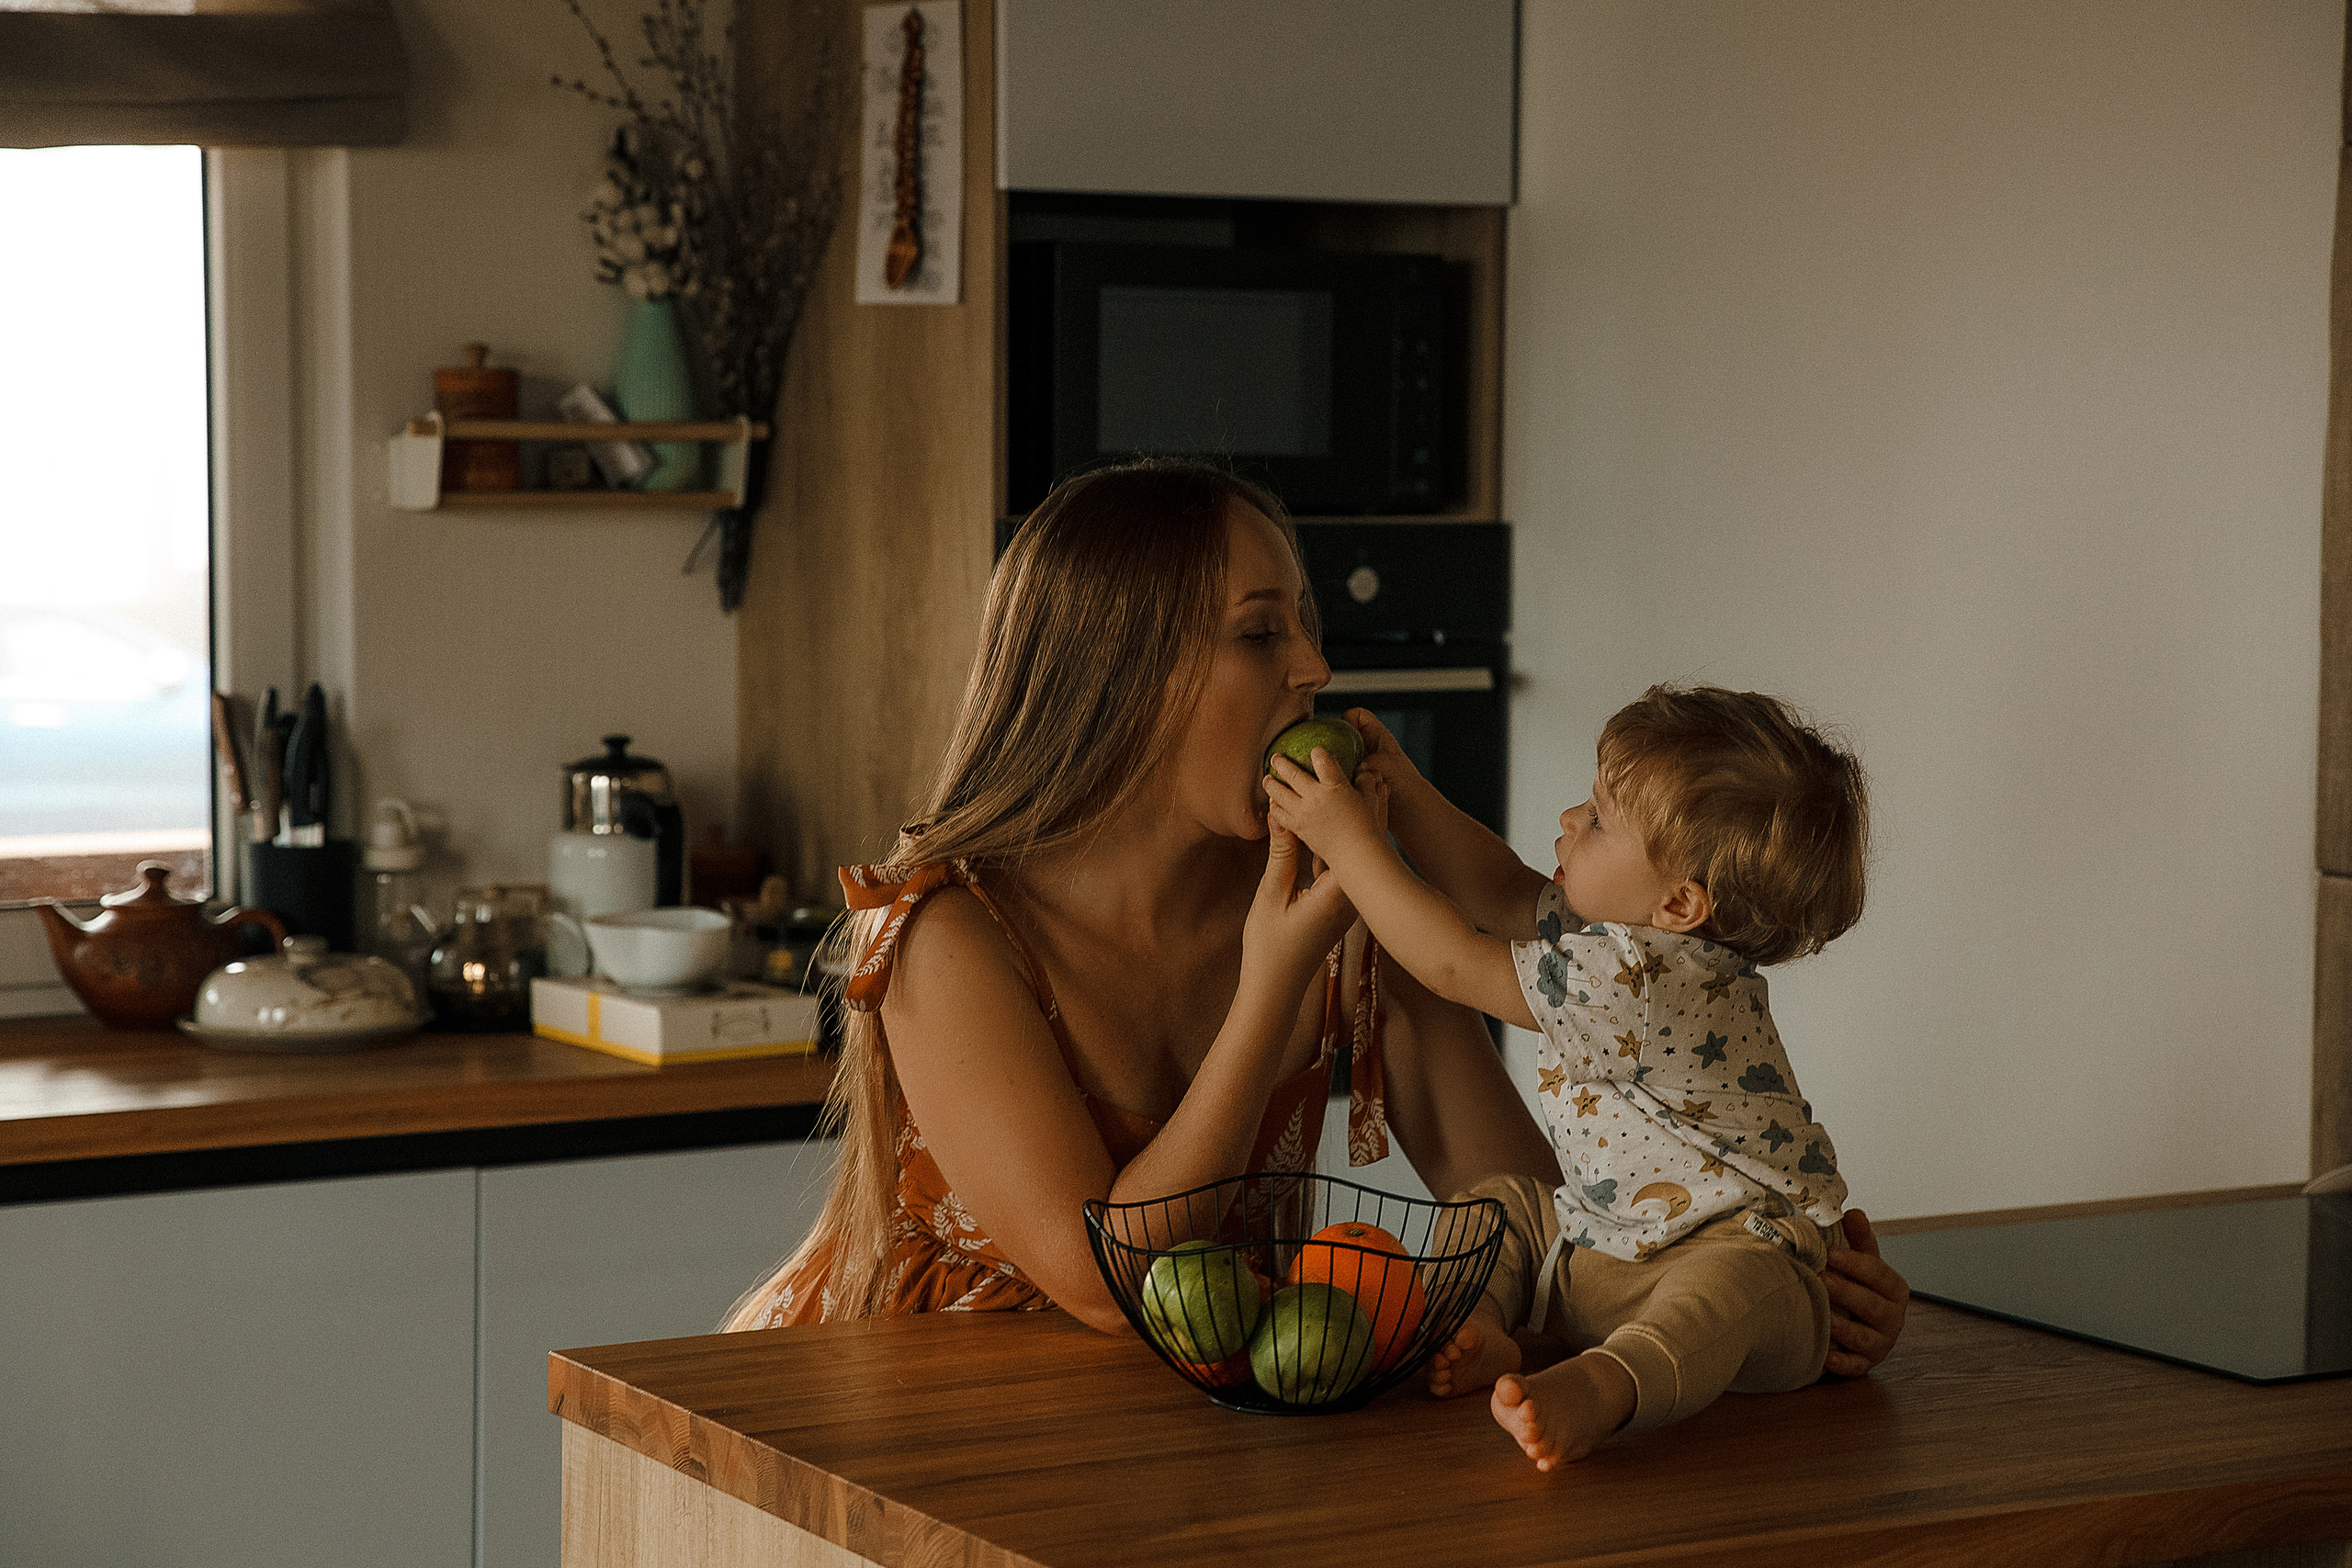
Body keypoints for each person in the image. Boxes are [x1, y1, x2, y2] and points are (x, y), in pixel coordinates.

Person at [722, 461, 1908, 1389]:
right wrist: (1268, 985)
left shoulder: (1342, 900)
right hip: (883, 1436)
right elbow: (1103, 1279)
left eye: (1302, 623)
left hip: (1168, 1444)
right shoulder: (947, 936)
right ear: (1124, 676)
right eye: (1260, 631)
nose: (1316, 662)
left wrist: (1767, 1291)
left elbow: (1531, 1201)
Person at [1266, 684, 1874, 1469]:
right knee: (1500, 1203)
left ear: (1681, 900)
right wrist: (1407, 793)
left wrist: (1349, 845)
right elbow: (1502, 888)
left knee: (1727, 1289)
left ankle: (1606, 1386)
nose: (1568, 821)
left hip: (1742, 1265)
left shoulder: (1642, 980)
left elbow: (1453, 959)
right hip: (1604, 1246)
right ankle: (1479, 1326)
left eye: (1598, 819)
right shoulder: (1623, 942)